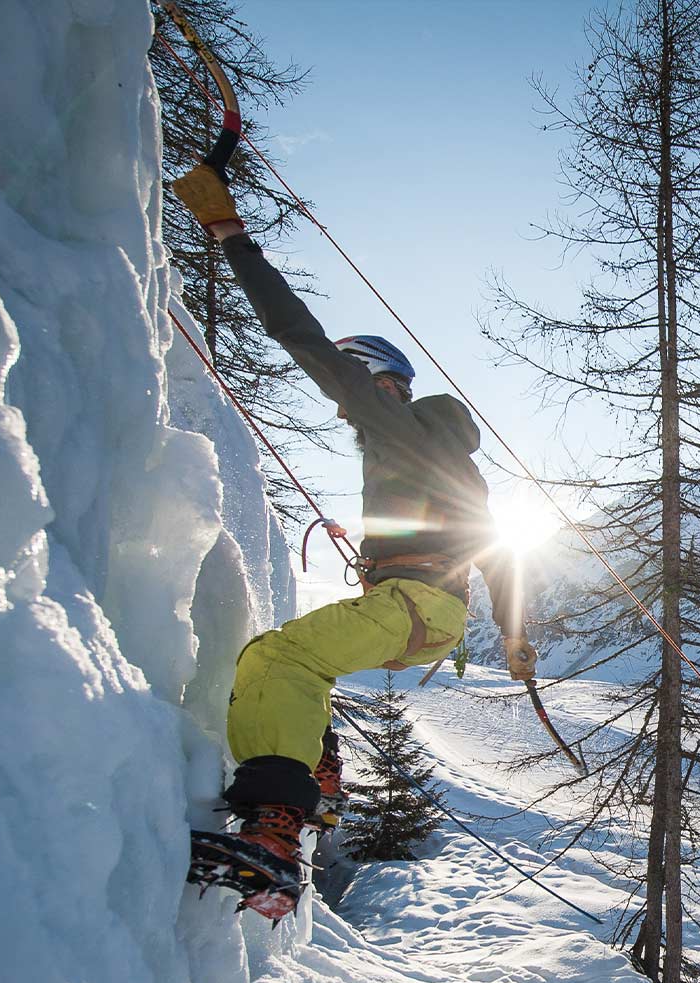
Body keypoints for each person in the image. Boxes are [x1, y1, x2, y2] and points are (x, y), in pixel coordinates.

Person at [170, 163, 535, 919]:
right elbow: (498, 550)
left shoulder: (390, 423)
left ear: (379, 382)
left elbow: (294, 333)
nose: (347, 418)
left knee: (280, 657)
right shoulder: (454, 461)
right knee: (312, 665)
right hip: (431, 621)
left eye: (356, 395)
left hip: (412, 604)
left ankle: (275, 828)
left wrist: (229, 233)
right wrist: (513, 632)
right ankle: (317, 771)